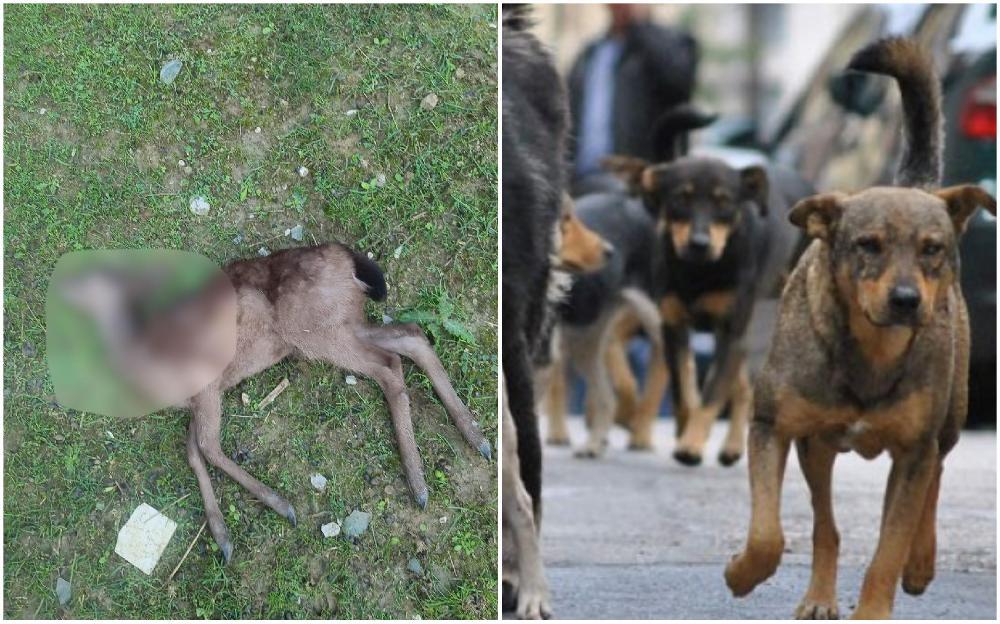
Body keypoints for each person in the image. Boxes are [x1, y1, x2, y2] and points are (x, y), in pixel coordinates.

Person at [567, 4, 699, 195]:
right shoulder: (590, 54)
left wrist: (639, 24)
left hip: (638, 185)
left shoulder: (673, 43)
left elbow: (678, 83)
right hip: (582, 182)